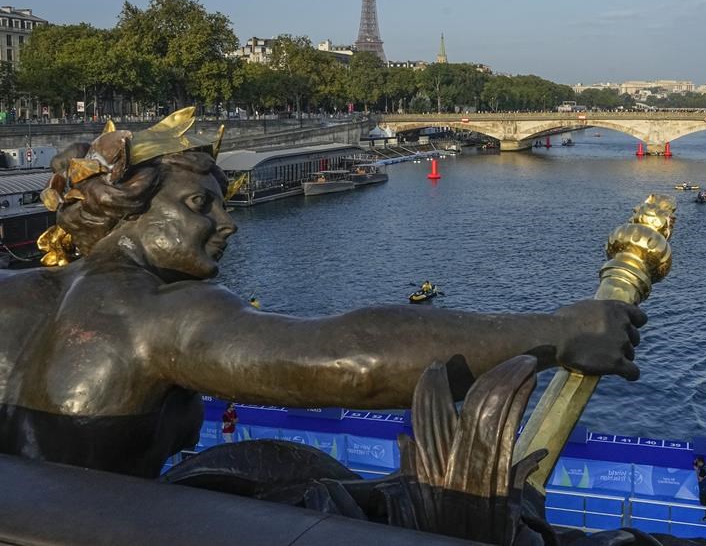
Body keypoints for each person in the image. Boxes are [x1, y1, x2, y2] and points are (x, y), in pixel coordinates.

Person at [0, 109, 647, 478]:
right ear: (127, 210)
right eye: (200, 204)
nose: (225, 224)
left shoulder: (19, 294)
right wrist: (560, 333)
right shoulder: (156, 314)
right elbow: (353, 360)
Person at [694, 455, 706, 521]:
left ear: (700, 462)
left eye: (697, 462)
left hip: (704, 488)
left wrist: (696, 471)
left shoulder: (702, 470)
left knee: (704, 502)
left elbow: (699, 480)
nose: (697, 464)